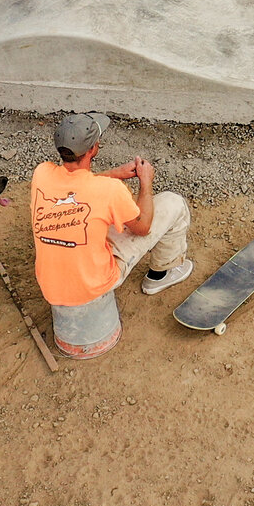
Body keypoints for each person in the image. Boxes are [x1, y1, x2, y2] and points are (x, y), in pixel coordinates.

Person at [28, 112, 195, 359]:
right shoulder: (108, 191)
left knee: (82, 219)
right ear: (93, 148)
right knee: (174, 203)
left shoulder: (41, 173)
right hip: (94, 285)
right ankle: (161, 274)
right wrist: (146, 182)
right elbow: (143, 227)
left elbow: (78, 187)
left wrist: (114, 173)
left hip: (51, 285)